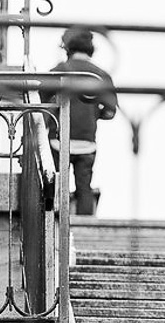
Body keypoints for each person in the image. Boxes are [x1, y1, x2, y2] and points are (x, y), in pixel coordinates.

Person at [40, 26, 118, 216]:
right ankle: (85, 226)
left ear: (67, 48)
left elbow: (40, 99)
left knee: (59, 184)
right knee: (85, 187)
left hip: (59, 140)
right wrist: (93, 115)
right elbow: (110, 111)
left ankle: (57, 224)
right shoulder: (101, 75)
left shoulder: (59, 71)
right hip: (87, 142)